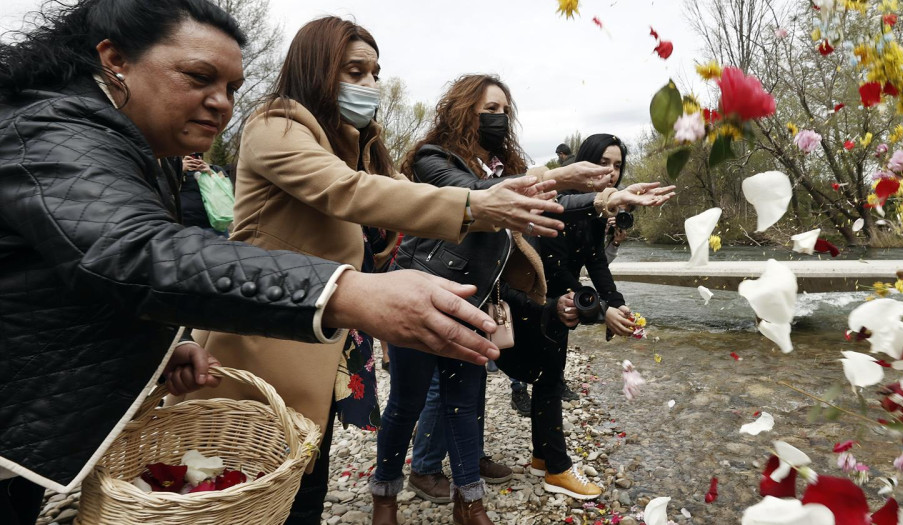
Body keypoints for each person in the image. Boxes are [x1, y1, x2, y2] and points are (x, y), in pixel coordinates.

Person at [0, 2, 508, 523]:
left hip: (306, 343)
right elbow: (134, 251)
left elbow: (60, 275)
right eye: (199, 77)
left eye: (232, 88)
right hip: (269, 337)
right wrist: (345, 292)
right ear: (115, 59)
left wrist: (167, 344)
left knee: (297, 472)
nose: (221, 104)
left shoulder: (140, 146)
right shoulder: (56, 126)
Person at [169, 17, 573, 524]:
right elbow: (349, 192)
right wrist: (474, 205)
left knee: (305, 483)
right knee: (246, 492)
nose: (370, 85)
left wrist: (583, 191)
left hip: (327, 343)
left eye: (375, 73)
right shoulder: (274, 124)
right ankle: (390, 492)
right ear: (316, 69)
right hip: (264, 341)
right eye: (355, 71)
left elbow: (399, 207)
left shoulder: (359, 145)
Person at [374, 75, 673, 524]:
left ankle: (469, 502)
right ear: (461, 109)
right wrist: (558, 175)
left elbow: (550, 202)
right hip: (421, 293)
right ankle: (385, 496)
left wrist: (608, 197)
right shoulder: (431, 158)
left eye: (505, 111)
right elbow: (473, 193)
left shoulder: (506, 166)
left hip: (475, 303)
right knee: (406, 402)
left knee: (465, 401)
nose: (499, 118)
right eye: (488, 109)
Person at [498, 133, 672, 504]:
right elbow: (556, 269)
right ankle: (558, 469)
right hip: (534, 298)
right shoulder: (561, 203)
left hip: (559, 300)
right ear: (585, 163)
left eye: (618, 166)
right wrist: (601, 311)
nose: (611, 172)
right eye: (604, 163)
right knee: (548, 380)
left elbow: (594, 261)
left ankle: (542, 458)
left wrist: (618, 303)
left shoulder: (596, 213)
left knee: (549, 376)